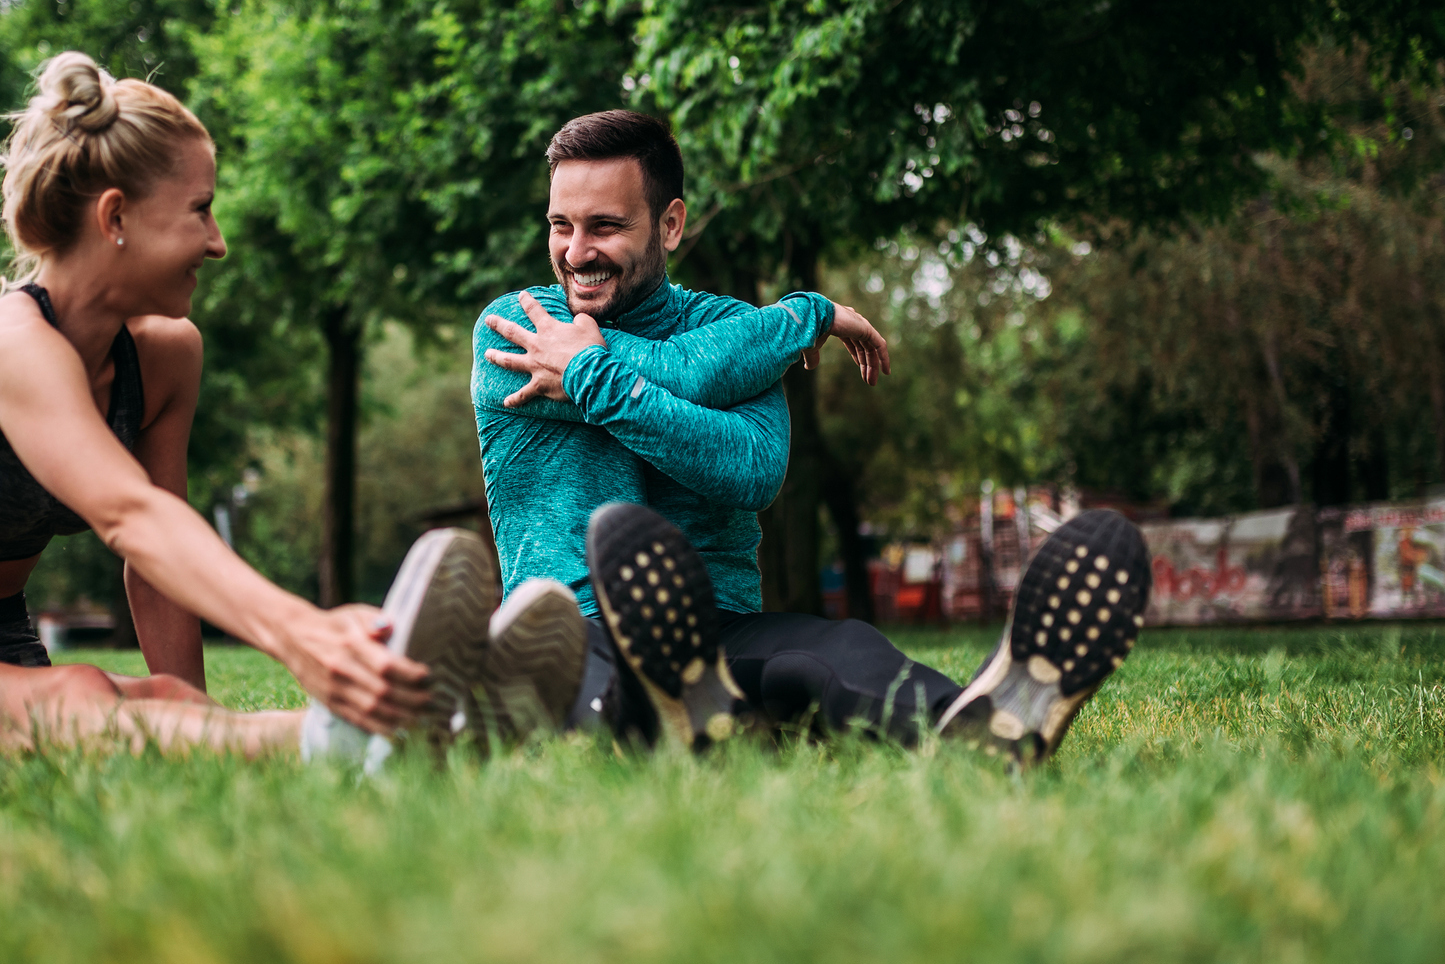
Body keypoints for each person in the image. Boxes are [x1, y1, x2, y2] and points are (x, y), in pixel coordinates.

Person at [0, 52, 501, 756]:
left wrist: (195, 719)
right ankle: (360, 737)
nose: (217, 244)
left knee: (160, 706)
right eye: (200, 211)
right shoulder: (13, 350)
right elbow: (130, 519)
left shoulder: (166, 355)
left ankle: (439, 718)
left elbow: (159, 553)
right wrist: (298, 631)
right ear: (115, 216)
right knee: (74, 699)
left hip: (4, 651)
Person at [473, 111, 1152, 762]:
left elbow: (750, 469)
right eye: (560, 225)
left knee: (836, 650)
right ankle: (685, 727)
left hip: (718, 627)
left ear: (670, 223)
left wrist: (591, 376)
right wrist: (807, 315)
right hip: (573, 627)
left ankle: (972, 730)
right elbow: (685, 371)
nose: (575, 252)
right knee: (597, 687)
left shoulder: (736, 331)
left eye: (605, 226)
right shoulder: (517, 329)